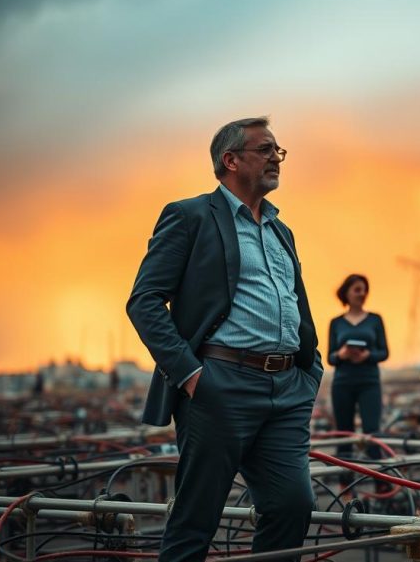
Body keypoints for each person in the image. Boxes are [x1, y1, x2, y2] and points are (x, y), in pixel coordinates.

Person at [127, 117, 323, 561]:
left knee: (293, 505)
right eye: (266, 149)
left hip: (287, 389)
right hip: (220, 384)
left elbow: (297, 302)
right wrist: (192, 375)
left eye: (279, 151)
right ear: (229, 160)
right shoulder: (191, 216)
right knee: (198, 518)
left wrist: (310, 370)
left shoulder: (279, 229)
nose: (276, 158)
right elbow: (144, 301)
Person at [328, 274, 388, 467]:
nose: (362, 294)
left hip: (369, 382)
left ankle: (380, 485)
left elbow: (384, 352)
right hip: (342, 383)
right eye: (357, 289)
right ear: (347, 293)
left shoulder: (375, 319)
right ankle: (345, 487)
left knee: (372, 433)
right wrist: (342, 354)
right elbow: (330, 357)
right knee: (344, 435)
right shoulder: (336, 323)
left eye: (364, 290)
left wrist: (367, 356)